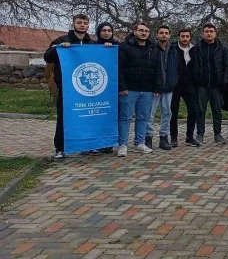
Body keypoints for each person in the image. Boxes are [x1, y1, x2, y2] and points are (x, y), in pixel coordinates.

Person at [44, 13, 93, 160]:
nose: (82, 25)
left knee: (86, 116)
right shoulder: (61, 40)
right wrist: (58, 48)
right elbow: (47, 56)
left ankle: (85, 145)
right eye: (79, 22)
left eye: (85, 23)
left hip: (87, 88)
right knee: (64, 117)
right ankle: (60, 148)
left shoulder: (92, 43)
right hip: (67, 88)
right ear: (73, 24)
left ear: (88, 25)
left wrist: (107, 47)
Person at [117, 22, 162, 157]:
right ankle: (123, 145)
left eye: (146, 31)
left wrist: (157, 87)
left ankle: (139, 143)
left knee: (143, 117)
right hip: (129, 89)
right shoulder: (124, 47)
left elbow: (158, 69)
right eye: (141, 30)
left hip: (147, 89)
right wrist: (122, 86)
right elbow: (119, 68)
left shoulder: (154, 48)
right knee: (125, 117)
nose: (144, 33)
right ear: (134, 31)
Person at [190, 23, 228, 144]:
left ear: (215, 33)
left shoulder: (222, 48)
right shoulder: (196, 48)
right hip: (201, 84)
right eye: (206, 31)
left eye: (211, 31)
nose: (209, 33)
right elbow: (192, 65)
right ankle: (200, 134)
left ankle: (218, 134)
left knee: (217, 110)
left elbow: (225, 66)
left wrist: (224, 82)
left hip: (216, 85)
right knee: (200, 110)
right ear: (203, 33)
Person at [145, 25, 179, 151]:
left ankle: (164, 137)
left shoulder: (173, 50)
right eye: (161, 33)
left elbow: (175, 68)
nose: (163, 35)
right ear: (157, 35)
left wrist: (173, 81)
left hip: (168, 87)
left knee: (167, 113)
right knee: (150, 114)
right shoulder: (151, 49)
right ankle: (148, 137)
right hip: (154, 88)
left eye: (166, 33)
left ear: (169, 35)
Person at [91, 22, 118, 155]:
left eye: (109, 30)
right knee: (95, 117)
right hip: (96, 87)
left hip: (111, 88)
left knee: (110, 116)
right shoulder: (92, 46)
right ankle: (93, 144)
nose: (106, 33)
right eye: (103, 30)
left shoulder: (117, 47)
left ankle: (108, 143)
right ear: (99, 32)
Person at [171, 29, 199, 147]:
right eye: (183, 36)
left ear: (190, 37)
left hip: (190, 84)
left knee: (193, 109)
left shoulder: (195, 49)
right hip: (175, 84)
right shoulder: (173, 49)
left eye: (187, 36)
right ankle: (173, 137)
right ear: (179, 37)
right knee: (174, 111)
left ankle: (190, 136)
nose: (185, 38)